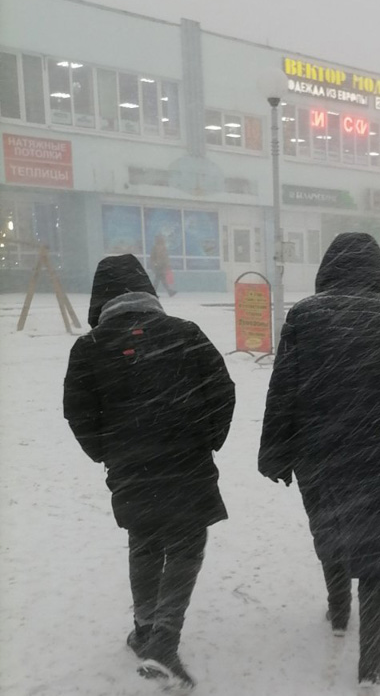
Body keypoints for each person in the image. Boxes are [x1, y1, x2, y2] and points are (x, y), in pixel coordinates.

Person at [259, 233, 380, 687]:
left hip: (317, 452)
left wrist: (275, 453)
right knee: (377, 553)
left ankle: (339, 609)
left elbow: (282, 390)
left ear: (327, 271)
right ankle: (371, 660)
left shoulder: (304, 316)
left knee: (331, 529)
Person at [63, 254, 235, 691]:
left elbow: (78, 413)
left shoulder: (90, 347)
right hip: (187, 462)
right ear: (147, 290)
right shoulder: (184, 333)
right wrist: (208, 438)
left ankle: (145, 630)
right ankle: (163, 640)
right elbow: (222, 390)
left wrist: (108, 452)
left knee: (143, 541)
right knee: (184, 546)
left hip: (131, 467)